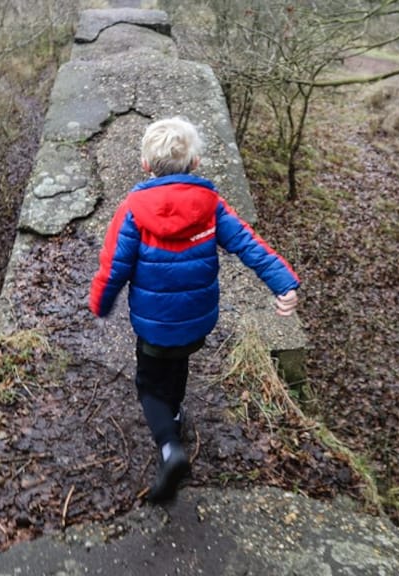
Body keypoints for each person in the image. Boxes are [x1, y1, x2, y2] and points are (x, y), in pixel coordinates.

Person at [89, 116, 300, 503]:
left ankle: (169, 448)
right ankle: (175, 414)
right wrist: (283, 282)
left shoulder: (133, 209)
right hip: (196, 322)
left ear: (145, 166)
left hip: (154, 325)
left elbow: (113, 264)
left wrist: (100, 302)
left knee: (148, 384)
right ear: (196, 165)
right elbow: (249, 245)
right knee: (179, 362)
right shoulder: (211, 204)